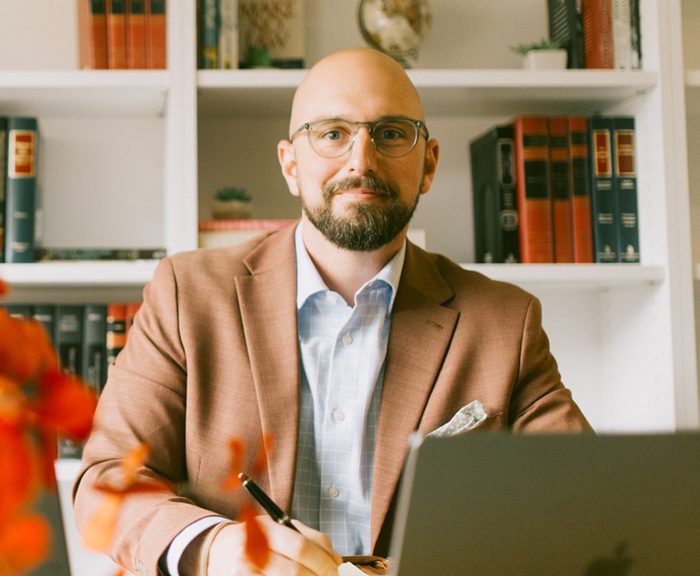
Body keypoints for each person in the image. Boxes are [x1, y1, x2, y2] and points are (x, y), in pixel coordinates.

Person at [73, 47, 592, 576]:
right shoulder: (187, 294)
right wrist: (214, 549)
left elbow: (583, 505)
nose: (360, 160)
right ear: (291, 165)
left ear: (429, 163)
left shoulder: (508, 322)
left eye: (390, 133)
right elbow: (107, 482)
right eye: (331, 133)